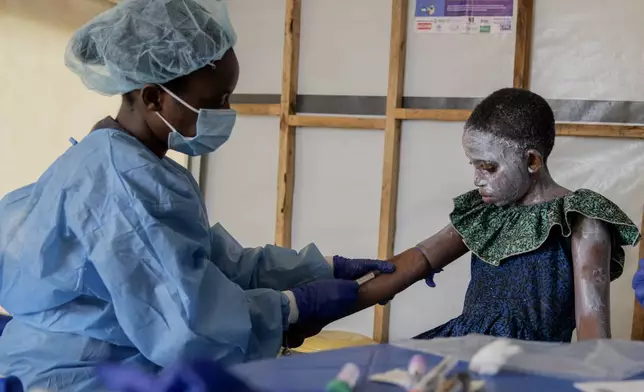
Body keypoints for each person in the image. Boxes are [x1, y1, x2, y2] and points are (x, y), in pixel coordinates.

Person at [0, 1, 394, 391]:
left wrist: (322, 268)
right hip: (81, 376)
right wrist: (291, 308)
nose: (227, 112)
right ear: (154, 97)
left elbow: (215, 264)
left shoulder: (136, 165)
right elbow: (188, 324)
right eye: (215, 102)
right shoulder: (124, 183)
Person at [294, 88, 641, 344]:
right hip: (462, 348)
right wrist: (317, 311)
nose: (477, 179)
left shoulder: (579, 218)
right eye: (473, 166)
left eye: (488, 167)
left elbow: (593, 328)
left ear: (532, 161)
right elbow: (409, 266)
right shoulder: (484, 211)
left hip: (530, 363)